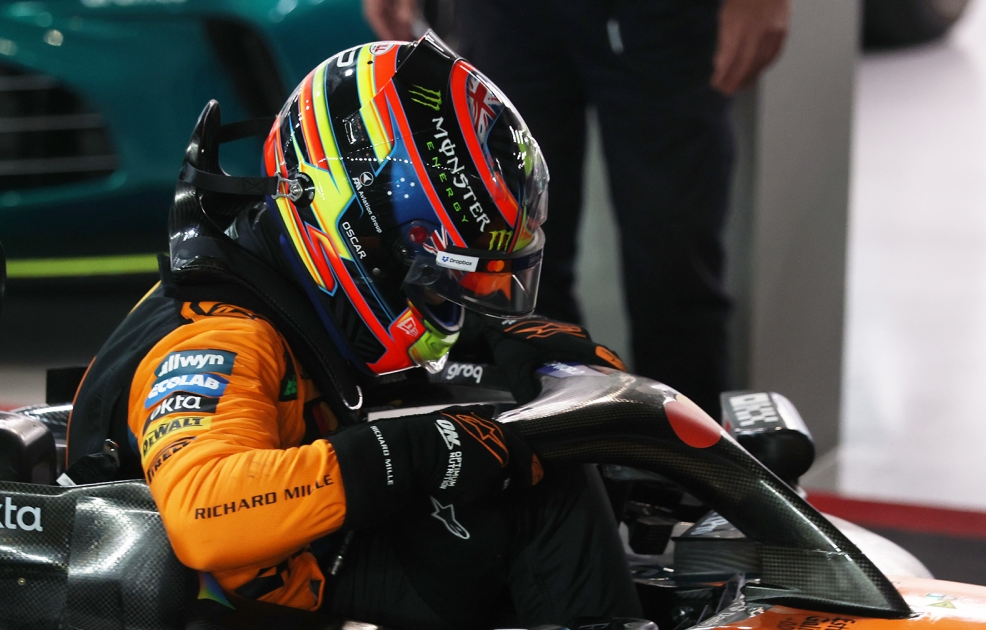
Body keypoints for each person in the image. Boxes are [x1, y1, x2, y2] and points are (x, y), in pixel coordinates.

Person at [67, 33, 641, 630]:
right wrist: (416, 451)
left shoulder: (279, 263)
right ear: (358, 231)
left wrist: (502, 340)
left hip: (289, 559)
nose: (461, 296)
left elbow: (376, 333)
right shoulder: (223, 340)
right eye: (447, 275)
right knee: (541, 492)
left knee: (534, 452)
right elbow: (204, 518)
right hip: (247, 595)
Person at [365, 0, 791, 416]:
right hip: (507, 16)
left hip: (659, 19)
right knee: (503, 268)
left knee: (673, 274)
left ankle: (690, 456)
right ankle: (544, 452)